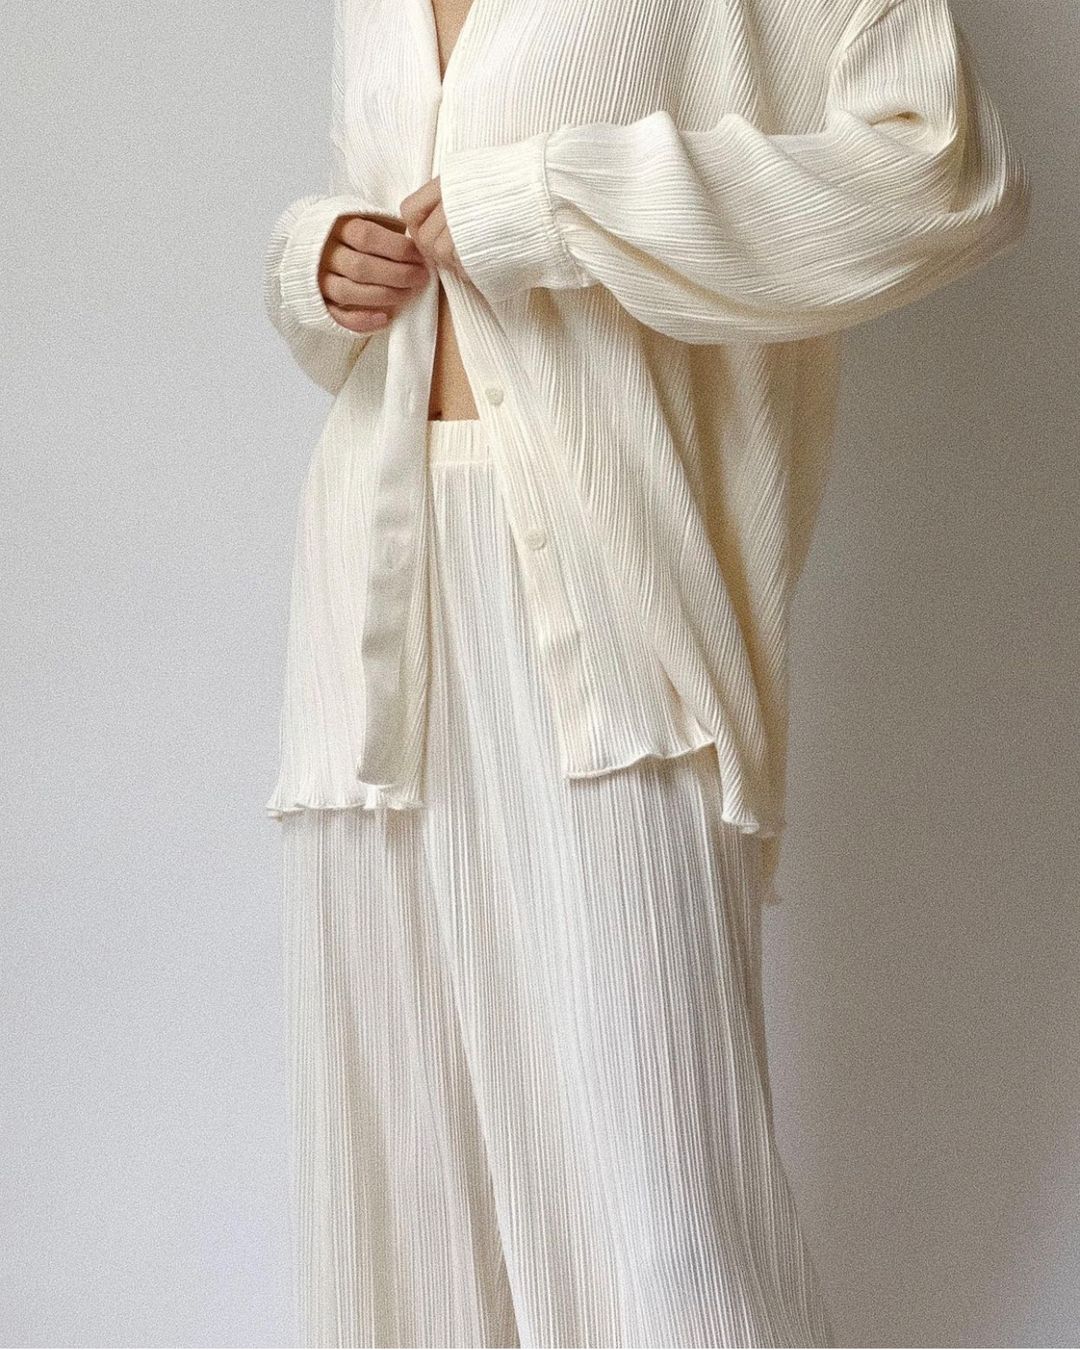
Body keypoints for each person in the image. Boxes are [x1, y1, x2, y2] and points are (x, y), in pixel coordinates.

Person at [262, 0, 1030, 1345]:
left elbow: (944, 172)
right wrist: (313, 264)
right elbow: (387, 244)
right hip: (373, 612)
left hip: (610, 604)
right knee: (416, 1198)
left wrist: (560, 202)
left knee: (668, 1212)